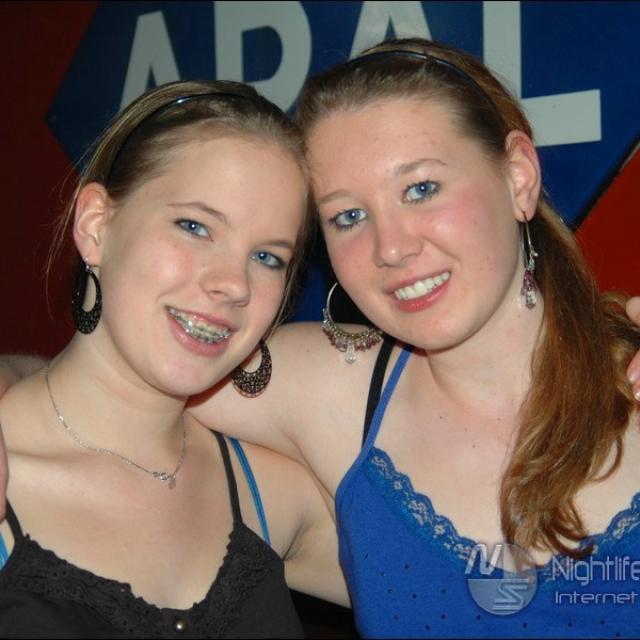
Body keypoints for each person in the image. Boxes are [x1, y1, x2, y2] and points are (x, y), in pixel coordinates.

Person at [2, 38, 640, 638]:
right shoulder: (328, 387)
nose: (392, 247)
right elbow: (111, 379)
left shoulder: (627, 372)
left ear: (519, 178)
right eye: (349, 216)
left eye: (421, 188)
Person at [0, 79, 348, 638]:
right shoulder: (12, 477)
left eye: (267, 257)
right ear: (96, 225)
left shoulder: (270, 493)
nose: (233, 283)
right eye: (194, 226)